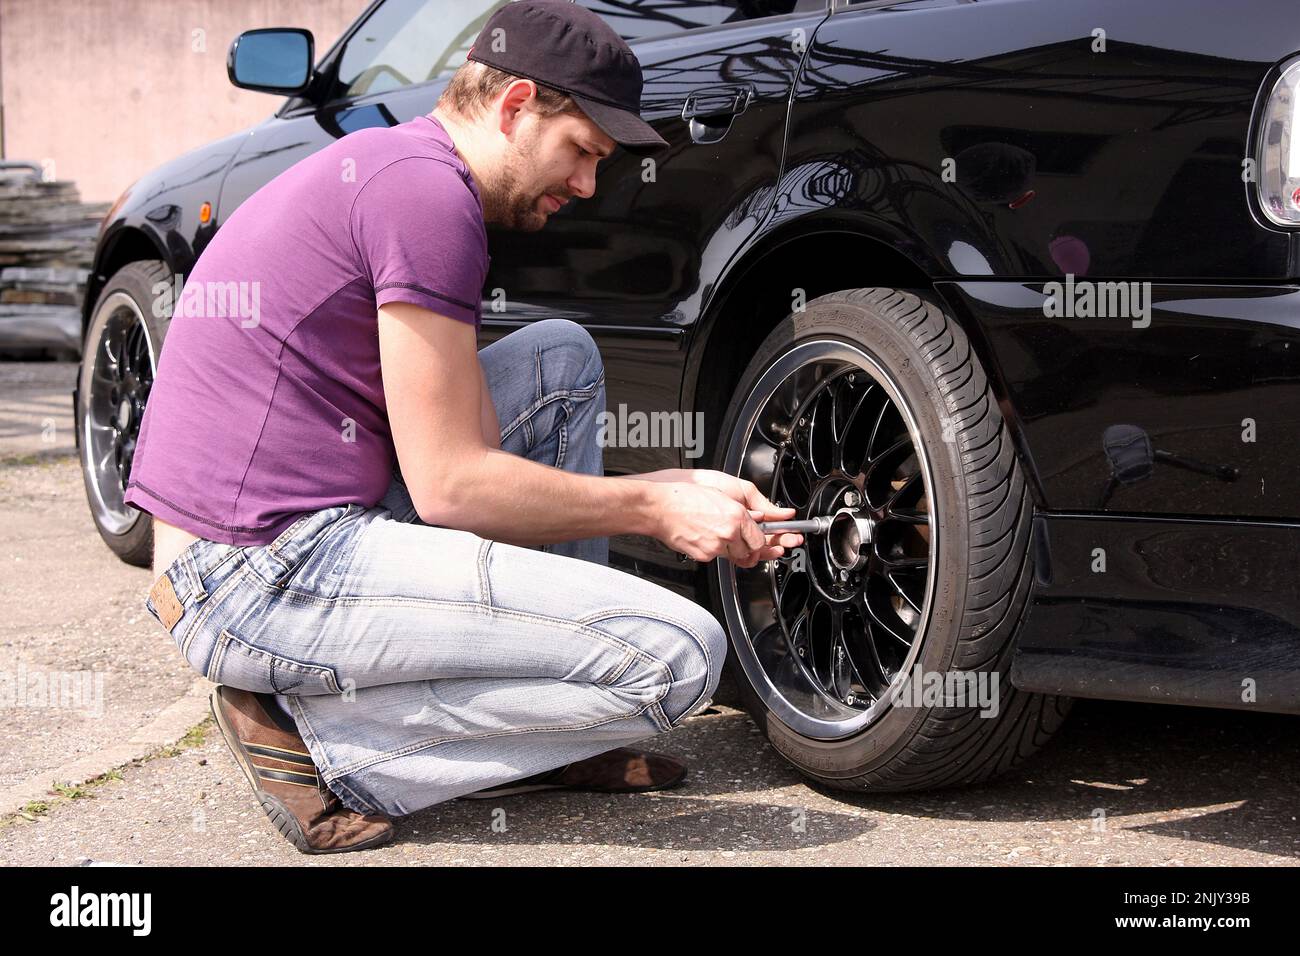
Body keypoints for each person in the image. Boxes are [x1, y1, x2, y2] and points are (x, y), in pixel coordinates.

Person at [126, 0, 802, 854]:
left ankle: (534, 741)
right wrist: (647, 511)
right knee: (676, 655)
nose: (588, 186)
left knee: (560, 358)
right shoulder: (426, 199)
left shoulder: (406, 170)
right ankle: (323, 741)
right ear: (517, 105)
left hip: (263, 541)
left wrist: (660, 487)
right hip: (251, 577)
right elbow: (451, 487)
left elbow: (472, 460)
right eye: (584, 152)